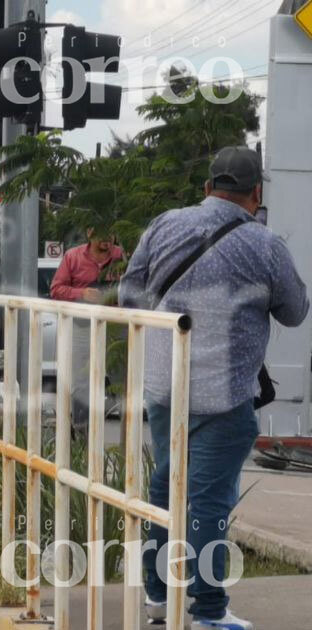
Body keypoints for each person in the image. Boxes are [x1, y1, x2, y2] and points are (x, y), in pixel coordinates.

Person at [120, 147, 308, 630]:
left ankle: (159, 599)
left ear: (206, 188)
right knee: (207, 500)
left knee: (165, 488)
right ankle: (207, 611)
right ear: (255, 194)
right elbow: (294, 311)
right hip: (224, 396)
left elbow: (128, 296)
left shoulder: (164, 224)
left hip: (164, 385)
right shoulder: (264, 244)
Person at [50, 228, 124, 426]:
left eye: (111, 234)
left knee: (122, 378)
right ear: (90, 233)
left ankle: (126, 438)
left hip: (115, 324)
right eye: (103, 234)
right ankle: (81, 433)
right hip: (82, 325)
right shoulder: (73, 257)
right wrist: (82, 293)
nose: (108, 239)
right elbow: (56, 289)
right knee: (81, 379)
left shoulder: (121, 256)